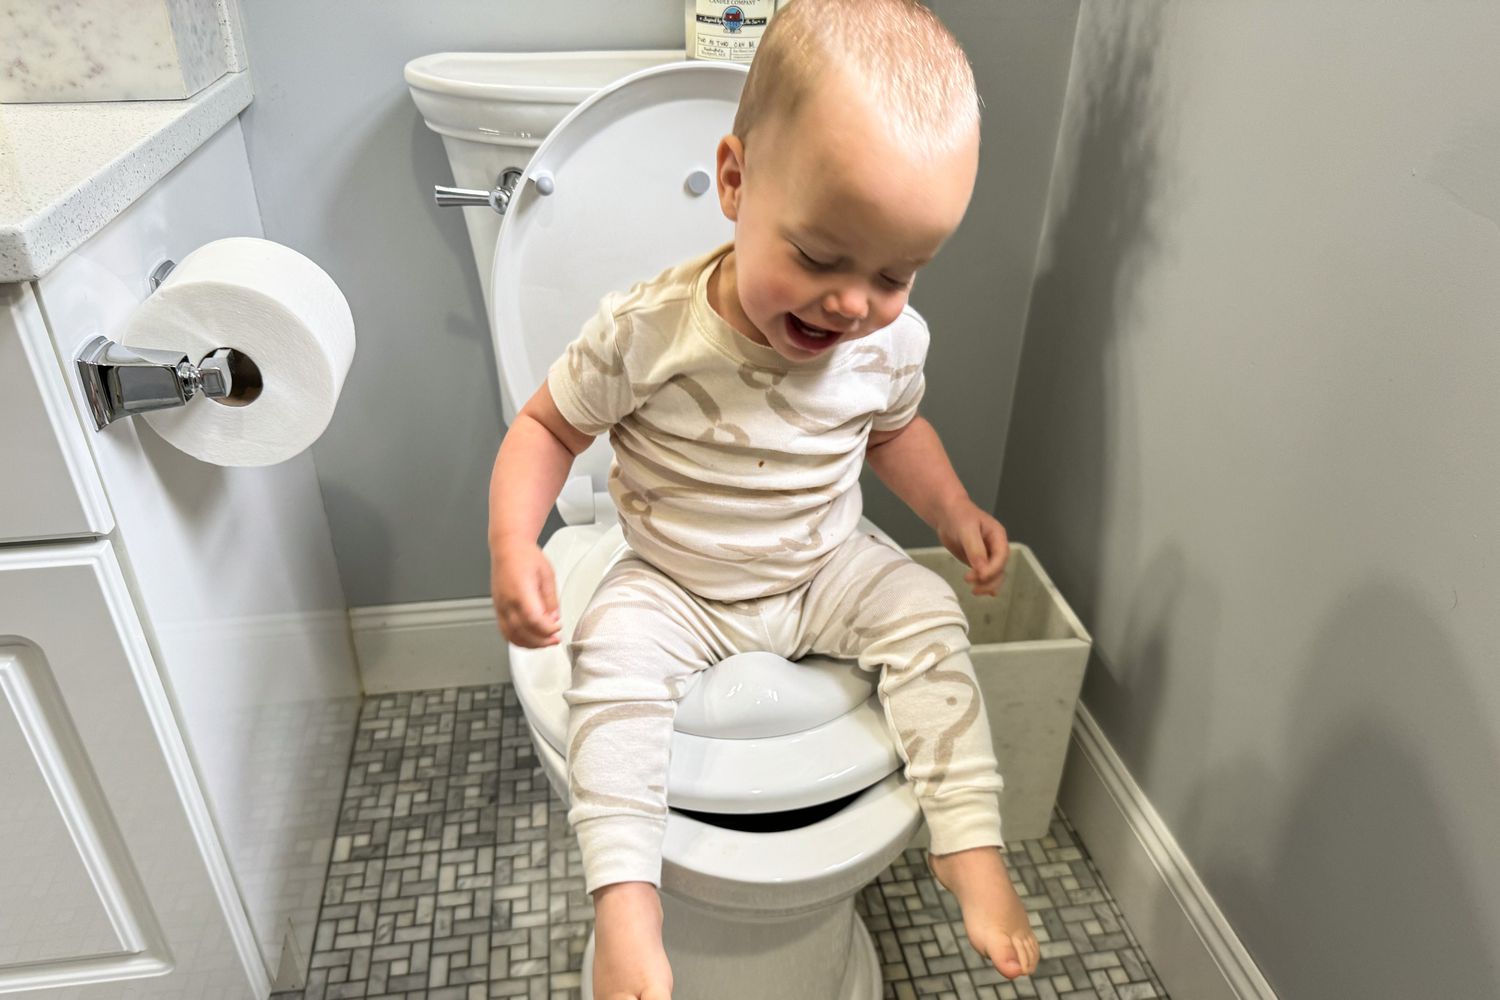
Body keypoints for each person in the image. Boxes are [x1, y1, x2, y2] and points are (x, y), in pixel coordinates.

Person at [488, 1, 1041, 995]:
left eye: (895, 273)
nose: (851, 304)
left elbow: (894, 431)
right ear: (735, 182)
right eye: (822, 257)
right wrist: (512, 540)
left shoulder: (886, 341)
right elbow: (546, 427)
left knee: (925, 611)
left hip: (824, 565)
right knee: (606, 662)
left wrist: (952, 511)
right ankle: (627, 899)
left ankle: (968, 838)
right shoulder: (649, 329)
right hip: (678, 580)